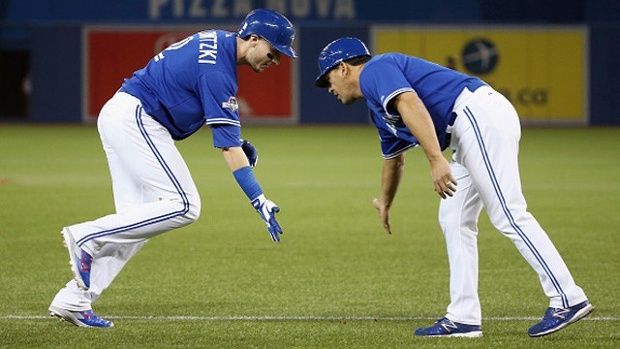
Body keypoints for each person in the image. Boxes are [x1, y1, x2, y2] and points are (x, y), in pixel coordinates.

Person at [314, 37, 593, 338]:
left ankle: (568, 297)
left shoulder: (375, 70)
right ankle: (464, 317)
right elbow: (394, 160)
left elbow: (410, 101)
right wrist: (386, 201)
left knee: (507, 212)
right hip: (466, 131)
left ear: (342, 68)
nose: (327, 87)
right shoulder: (378, 109)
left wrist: (436, 160)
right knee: (454, 218)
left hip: (476, 115)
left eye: (326, 78)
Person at [48, 8, 296, 328]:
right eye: (274, 51)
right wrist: (258, 198)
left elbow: (198, 102)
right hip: (138, 118)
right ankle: (85, 237)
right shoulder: (219, 71)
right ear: (254, 39)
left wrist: (236, 140)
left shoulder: (218, 41)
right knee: (185, 205)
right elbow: (227, 146)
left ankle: (74, 299)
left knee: (134, 226)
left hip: (126, 114)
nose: (275, 60)